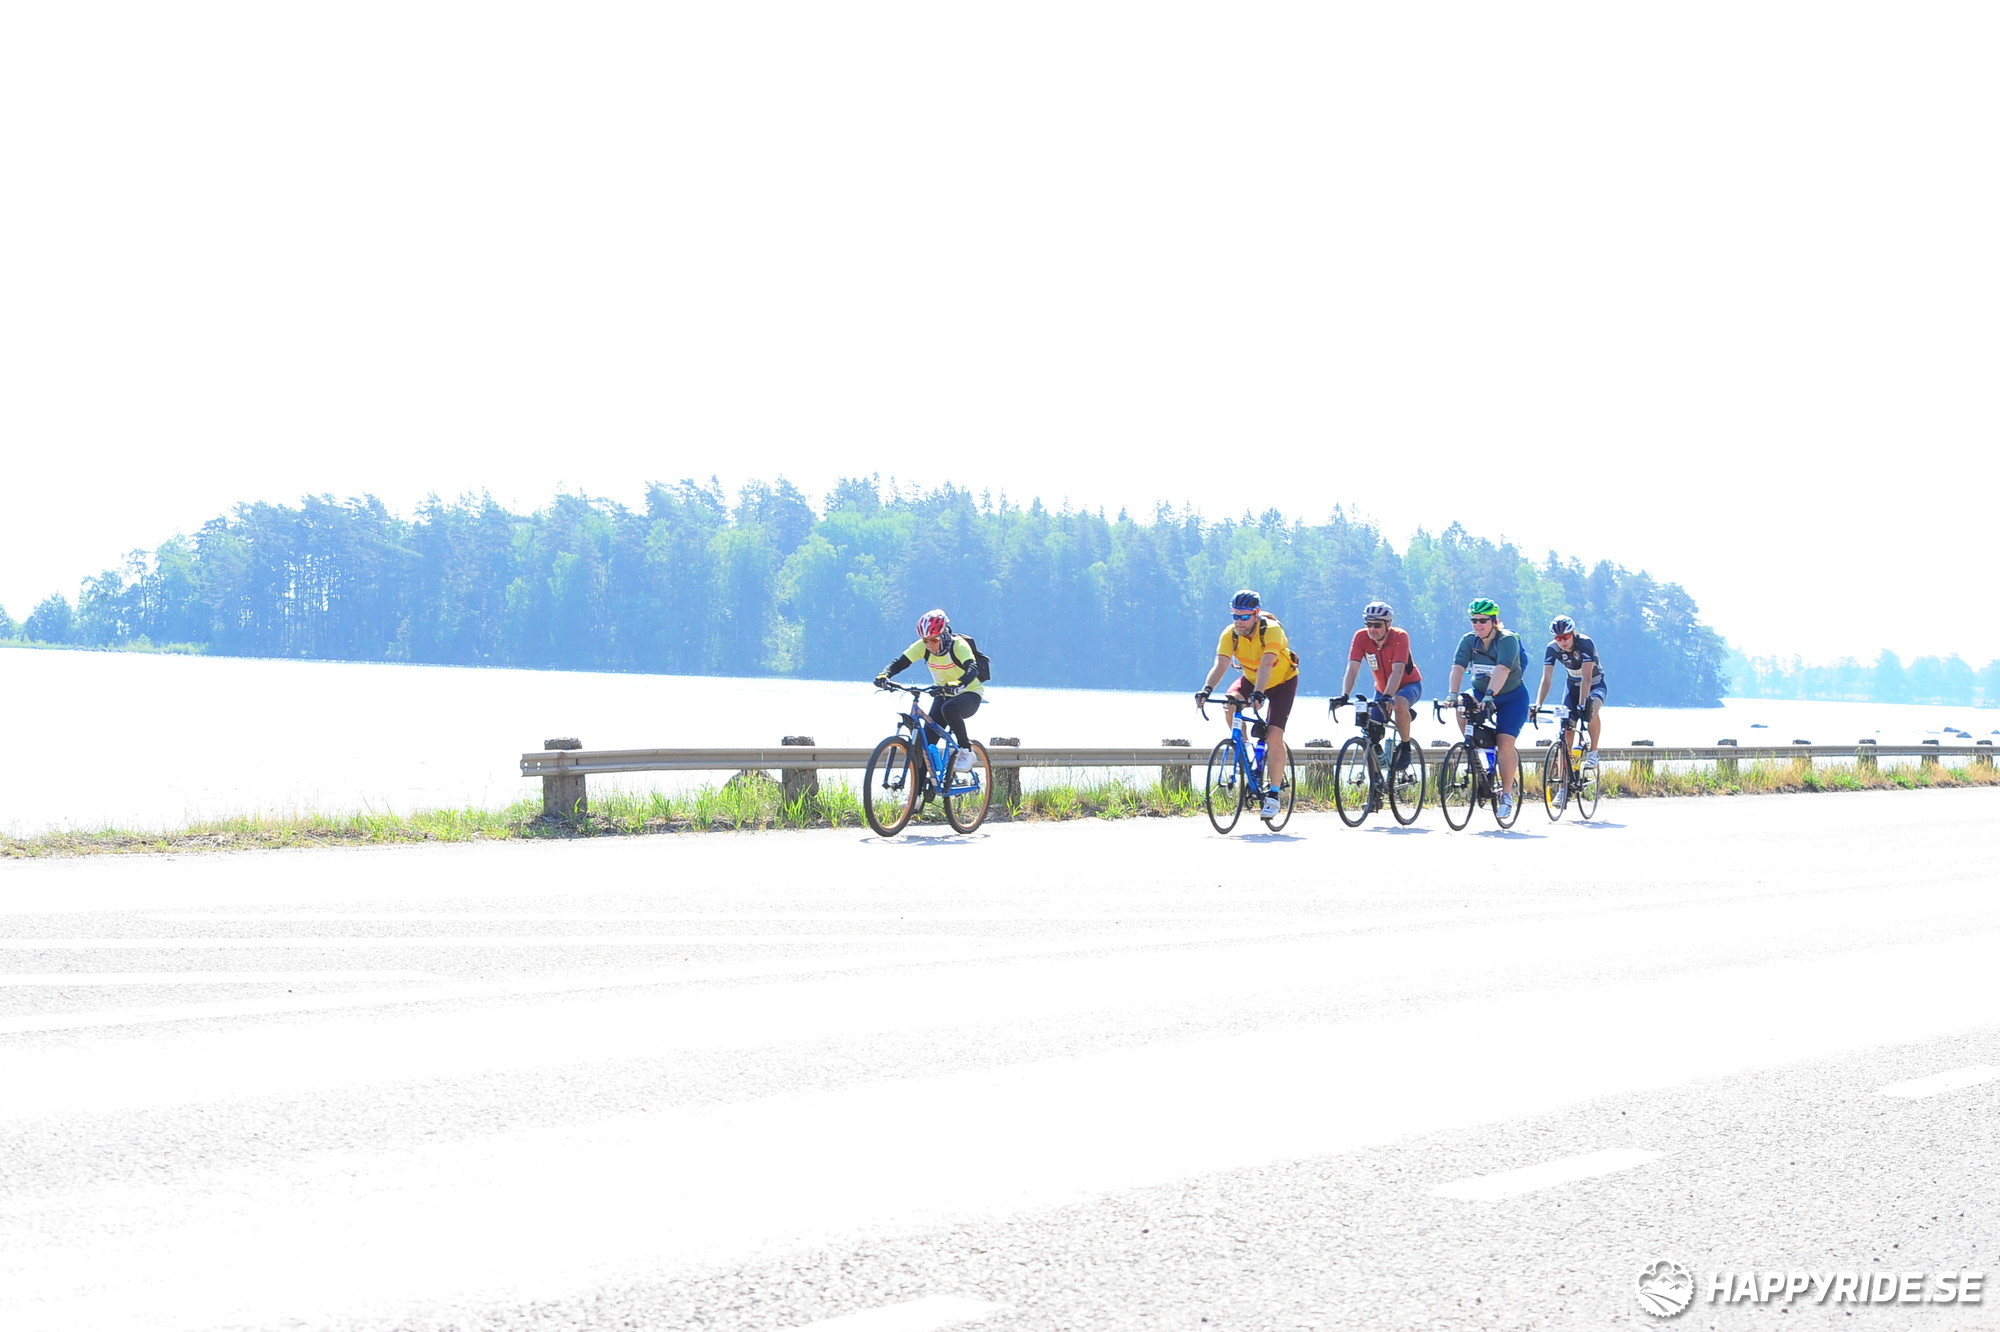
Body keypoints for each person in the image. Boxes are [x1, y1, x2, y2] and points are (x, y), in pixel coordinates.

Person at [1195, 589, 1301, 819]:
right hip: (1252, 679)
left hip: (1282, 682)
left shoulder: (1271, 630)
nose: (1239, 621)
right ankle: (1245, 749)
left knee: (1274, 735)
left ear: (1256, 614)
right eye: (1235, 616)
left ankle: (1273, 795)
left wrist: (1259, 694)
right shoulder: (1230, 634)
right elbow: (1221, 664)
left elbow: (1266, 664)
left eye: (1244, 617)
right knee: (1229, 704)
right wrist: (1206, 689)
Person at [874, 608, 985, 779]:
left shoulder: (958, 645)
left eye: (934, 640)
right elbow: (900, 663)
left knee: (949, 708)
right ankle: (918, 793)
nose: (929, 645)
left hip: (969, 693)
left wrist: (958, 683)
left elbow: (972, 668)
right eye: (925, 641)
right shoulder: (923, 647)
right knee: (923, 749)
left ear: (944, 635)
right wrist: (884, 675)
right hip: (943, 693)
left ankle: (966, 751)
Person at [1446, 597, 1529, 820]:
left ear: (1494, 621)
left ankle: (1507, 795)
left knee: (1505, 743)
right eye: (1474, 620)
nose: (1478, 625)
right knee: (1461, 706)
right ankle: (1475, 748)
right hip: (1480, 691)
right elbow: (1457, 668)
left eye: (1483, 620)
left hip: (1512, 697)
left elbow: (1502, 669)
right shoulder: (1468, 640)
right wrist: (1452, 695)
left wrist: (1491, 695)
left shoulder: (1507, 640)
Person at [1334, 599, 1422, 776]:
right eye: (1368, 624)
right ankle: (1376, 783)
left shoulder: (1400, 637)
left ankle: (1405, 746)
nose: (1372, 629)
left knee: (1398, 704)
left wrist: (1388, 697)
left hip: (1408, 685)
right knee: (1370, 733)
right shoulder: (1361, 637)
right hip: (1381, 689)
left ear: (1388, 624)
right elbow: (1352, 668)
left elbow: (1398, 671)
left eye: (1377, 625)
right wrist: (1344, 695)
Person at [1534, 615, 1606, 769]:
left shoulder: (1585, 643)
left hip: (1594, 685)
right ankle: (1564, 778)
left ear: (1573, 633)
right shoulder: (1552, 648)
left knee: (1590, 709)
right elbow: (1546, 679)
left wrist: (1583, 704)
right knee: (1567, 728)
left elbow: (1586, 678)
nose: (1562, 642)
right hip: (1572, 687)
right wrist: (1538, 703)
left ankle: (1593, 752)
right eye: (1558, 638)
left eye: (1566, 637)